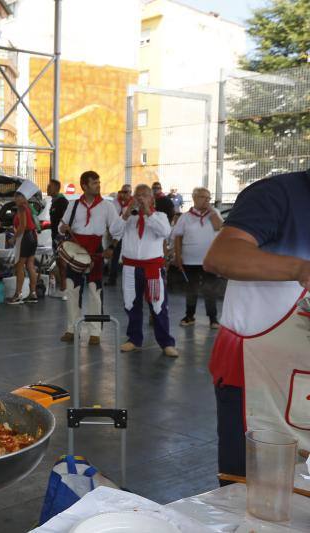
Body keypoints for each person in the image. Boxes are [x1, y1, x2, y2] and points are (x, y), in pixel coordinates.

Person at [203, 169, 310, 484]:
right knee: (254, 491)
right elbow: (221, 256)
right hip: (254, 373)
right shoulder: (277, 193)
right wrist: (302, 268)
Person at [110, 184, 178, 356]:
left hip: (152, 268)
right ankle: (134, 339)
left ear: (151, 198)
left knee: (158, 305)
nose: (140, 198)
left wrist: (148, 212)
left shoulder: (160, 216)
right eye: (137, 195)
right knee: (131, 303)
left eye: (144, 195)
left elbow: (164, 232)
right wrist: (125, 214)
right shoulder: (128, 216)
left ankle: (166, 343)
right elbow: (114, 232)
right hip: (130, 268)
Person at [58, 171, 118, 344]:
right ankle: (72, 329)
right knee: (72, 289)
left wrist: (112, 247)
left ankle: (95, 332)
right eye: (94, 183)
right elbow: (62, 226)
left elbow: (116, 229)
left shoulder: (107, 206)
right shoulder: (74, 204)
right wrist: (63, 229)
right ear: (84, 185)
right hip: (75, 248)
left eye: (99, 182)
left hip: (96, 249)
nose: (98, 185)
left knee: (94, 290)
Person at [172, 187, 222, 328]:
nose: (206, 200)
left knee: (210, 290)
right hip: (190, 260)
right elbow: (178, 238)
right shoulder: (185, 217)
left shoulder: (214, 213)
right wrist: (178, 256)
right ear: (194, 198)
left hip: (209, 260)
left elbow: (219, 227)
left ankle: (213, 318)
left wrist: (212, 212)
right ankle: (189, 316)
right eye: (203, 197)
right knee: (191, 289)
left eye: (208, 197)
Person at [7, 179, 40, 305]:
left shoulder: (21, 208)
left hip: (25, 237)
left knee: (19, 266)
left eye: (17, 196)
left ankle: (18, 294)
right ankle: (33, 293)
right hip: (33, 237)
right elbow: (34, 224)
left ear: (23, 197)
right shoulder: (30, 207)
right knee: (30, 265)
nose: (15, 199)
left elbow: (22, 226)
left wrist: (13, 238)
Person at [106, 184, 132, 286]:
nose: (125, 194)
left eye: (127, 192)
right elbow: (112, 217)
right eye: (123, 191)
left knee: (128, 256)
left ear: (130, 193)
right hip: (117, 233)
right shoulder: (115, 202)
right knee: (114, 255)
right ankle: (112, 279)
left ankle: (129, 279)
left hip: (129, 234)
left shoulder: (133, 204)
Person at [47, 180, 69, 250]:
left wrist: (61, 237)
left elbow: (65, 220)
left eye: (50, 186)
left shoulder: (62, 202)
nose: (47, 188)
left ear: (56, 188)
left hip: (60, 238)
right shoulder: (55, 201)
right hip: (55, 237)